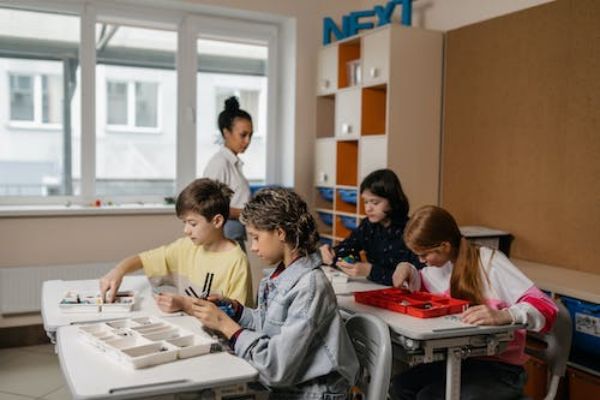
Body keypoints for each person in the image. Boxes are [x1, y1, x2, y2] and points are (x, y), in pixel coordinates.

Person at [191, 188, 359, 398]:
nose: (253, 247)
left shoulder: (310, 287)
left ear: (280, 233)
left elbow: (276, 369)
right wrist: (236, 311)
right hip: (292, 386)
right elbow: (269, 326)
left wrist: (226, 325)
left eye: (256, 237)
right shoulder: (280, 275)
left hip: (314, 393)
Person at [390, 205, 558, 400]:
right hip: (461, 361)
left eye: (424, 254)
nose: (421, 260)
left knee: (430, 396)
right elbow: (424, 287)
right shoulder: (441, 266)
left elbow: (546, 308)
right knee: (399, 387)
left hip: (501, 369)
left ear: (445, 246)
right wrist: (408, 270)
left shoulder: (489, 262)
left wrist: (505, 315)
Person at [99, 178, 253, 312]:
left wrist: (185, 305)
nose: (186, 230)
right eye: (184, 222)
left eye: (192, 223)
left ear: (217, 221)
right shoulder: (186, 247)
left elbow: (237, 317)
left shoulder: (236, 261)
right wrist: (118, 272)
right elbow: (143, 259)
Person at [320, 168, 423, 285]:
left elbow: (416, 278)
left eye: (375, 202)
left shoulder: (410, 230)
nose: (368, 208)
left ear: (393, 201)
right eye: (365, 202)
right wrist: (331, 253)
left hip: (400, 293)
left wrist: (370, 271)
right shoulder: (368, 225)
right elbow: (348, 247)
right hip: (372, 289)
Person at [204, 96, 253, 250]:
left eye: (250, 135)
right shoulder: (220, 163)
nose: (247, 141)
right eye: (243, 135)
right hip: (224, 235)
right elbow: (208, 206)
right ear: (226, 133)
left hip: (235, 233)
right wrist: (245, 212)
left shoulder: (233, 164)